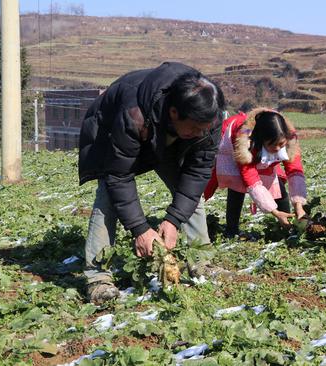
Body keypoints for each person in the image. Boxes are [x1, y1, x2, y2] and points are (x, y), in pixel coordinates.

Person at [79, 62, 225, 304]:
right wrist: (140, 229)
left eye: (204, 129)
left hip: (165, 138)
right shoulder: (133, 113)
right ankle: (98, 278)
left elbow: (197, 173)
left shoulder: (209, 118)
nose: (201, 134)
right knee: (108, 195)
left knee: (188, 192)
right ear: (174, 113)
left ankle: (201, 262)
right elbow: (119, 176)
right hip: (114, 133)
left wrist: (173, 220)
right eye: (195, 128)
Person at [204, 108, 307, 237]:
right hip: (231, 145)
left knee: (278, 185)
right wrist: (274, 212)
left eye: (281, 144)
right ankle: (231, 230)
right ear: (261, 140)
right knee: (237, 186)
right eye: (271, 144)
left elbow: (294, 171)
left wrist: (299, 205)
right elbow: (250, 178)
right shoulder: (245, 141)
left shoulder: (289, 139)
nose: (277, 148)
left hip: (259, 150)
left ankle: (287, 223)